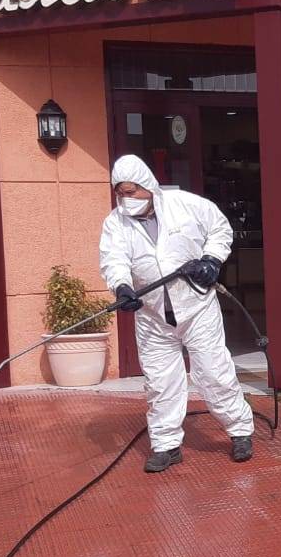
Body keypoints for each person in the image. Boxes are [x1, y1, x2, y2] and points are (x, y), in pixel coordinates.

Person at [99, 154, 255, 473]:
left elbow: (220, 229)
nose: (126, 199)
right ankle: (166, 445)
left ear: (147, 186)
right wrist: (122, 287)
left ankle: (240, 431)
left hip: (197, 309)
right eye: (120, 193)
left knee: (214, 372)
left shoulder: (184, 204)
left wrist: (211, 260)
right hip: (153, 316)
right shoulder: (116, 223)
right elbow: (113, 259)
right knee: (160, 383)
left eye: (132, 192)